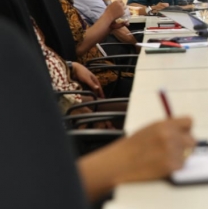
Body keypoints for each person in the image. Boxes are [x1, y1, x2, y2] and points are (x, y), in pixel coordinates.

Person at [0, 16, 196, 206]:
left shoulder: (11, 34)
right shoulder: (8, 39)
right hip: (68, 145)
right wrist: (126, 157)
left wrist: (70, 67)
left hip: (69, 127)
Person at [0, 0, 107, 114]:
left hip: (71, 94)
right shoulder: (6, 20)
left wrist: (70, 66)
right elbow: (26, 88)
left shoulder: (18, 5)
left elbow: (40, 60)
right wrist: (77, 110)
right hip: (61, 110)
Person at [39, 0, 133, 96]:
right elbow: (78, 48)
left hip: (104, 71)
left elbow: (83, 38)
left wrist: (108, 27)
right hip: (99, 79)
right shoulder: (57, 4)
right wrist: (109, 15)